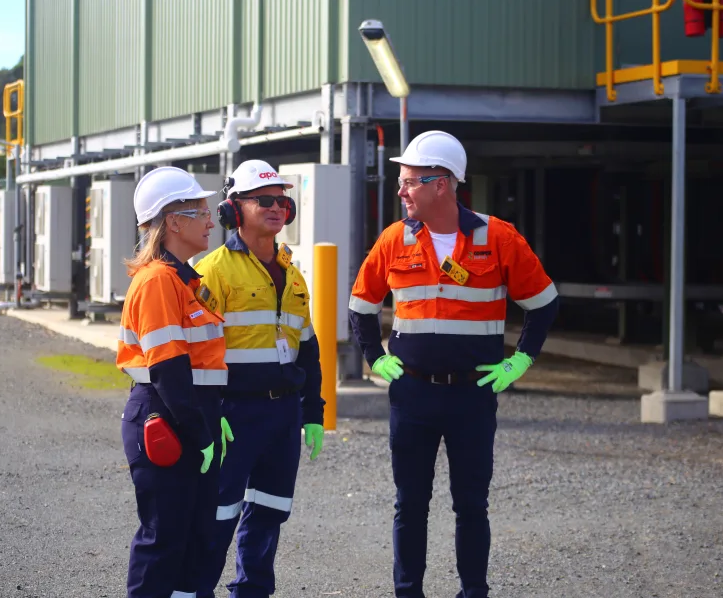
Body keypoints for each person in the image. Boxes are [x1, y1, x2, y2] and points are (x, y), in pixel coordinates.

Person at [348, 131, 559, 598]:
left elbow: (543, 303)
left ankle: (473, 592)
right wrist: (374, 359)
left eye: (408, 182)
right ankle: (408, 592)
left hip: (472, 395)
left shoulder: (498, 237)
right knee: (410, 504)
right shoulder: (394, 239)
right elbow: (361, 306)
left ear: (441, 184)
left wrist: (521, 360)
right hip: (413, 394)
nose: (401, 191)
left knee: (471, 504)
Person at [194, 159, 325, 598]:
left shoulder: (293, 272)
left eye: (282, 201)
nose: (276, 208)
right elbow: (195, 350)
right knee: (218, 514)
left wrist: (313, 412)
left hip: (283, 414)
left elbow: (307, 344)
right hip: (235, 414)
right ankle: (196, 591)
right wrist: (209, 413)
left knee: (270, 511)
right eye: (264, 200)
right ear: (235, 209)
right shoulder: (213, 270)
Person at [116, 166, 231, 598]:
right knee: (165, 541)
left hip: (184, 415)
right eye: (200, 211)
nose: (210, 220)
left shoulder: (183, 279)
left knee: (194, 542)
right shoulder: (159, 282)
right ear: (173, 221)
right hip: (166, 417)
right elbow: (167, 370)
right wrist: (199, 430)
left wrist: (210, 416)